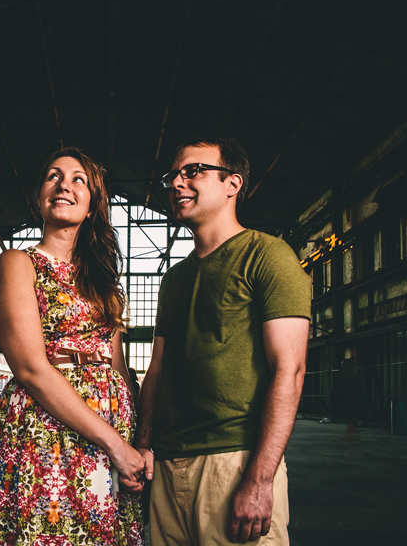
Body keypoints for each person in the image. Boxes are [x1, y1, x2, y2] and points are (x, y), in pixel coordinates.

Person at [134, 137, 311, 545]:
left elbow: (290, 370)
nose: (177, 182)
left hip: (232, 462)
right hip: (167, 467)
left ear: (233, 184)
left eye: (192, 171)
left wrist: (260, 480)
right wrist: (144, 446)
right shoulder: (174, 279)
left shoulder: (268, 256)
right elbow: (156, 371)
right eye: (173, 175)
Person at [0, 148, 144, 545]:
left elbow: (117, 368)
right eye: (53, 176)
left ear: (92, 205)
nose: (64, 184)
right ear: (39, 198)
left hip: (111, 434)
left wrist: (134, 443)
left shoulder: (104, 284)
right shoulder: (18, 262)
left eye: (78, 179)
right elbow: (31, 368)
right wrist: (116, 445)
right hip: (44, 429)